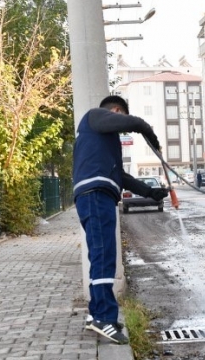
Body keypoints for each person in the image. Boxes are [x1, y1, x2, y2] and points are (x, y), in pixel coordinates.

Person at [73, 95, 169, 344]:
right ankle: (105, 318)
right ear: (116, 111)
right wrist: (148, 133)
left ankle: (97, 316)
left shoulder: (103, 141)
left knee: (100, 254)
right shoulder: (95, 116)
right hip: (95, 195)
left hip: (96, 195)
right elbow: (136, 123)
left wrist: (149, 192)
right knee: (104, 254)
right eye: (122, 117)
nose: (123, 124)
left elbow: (122, 177)